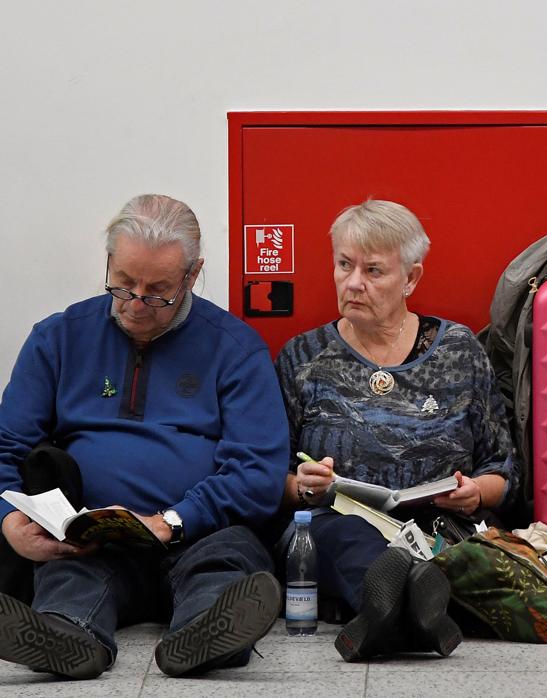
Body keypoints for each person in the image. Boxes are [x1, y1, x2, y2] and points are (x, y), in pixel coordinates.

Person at [0, 194, 289, 680]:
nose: (135, 304)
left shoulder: (236, 349)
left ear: (192, 276)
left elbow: (257, 471)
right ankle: (66, 636)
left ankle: (204, 636)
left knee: (224, 566)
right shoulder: (58, 339)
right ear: (108, 262)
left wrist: (172, 520)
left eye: (158, 291)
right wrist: (9, 520)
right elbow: (5, 447)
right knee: (70, 576)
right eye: (123, 284)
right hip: (94, 540)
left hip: (202, 533)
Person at [276, 199, 518, 661]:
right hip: (335, 523)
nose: (353, 283)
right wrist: (302, 487)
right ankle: (420, 615)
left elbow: (503, 469)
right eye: (344, 265)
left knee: (446, 550)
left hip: (442, 522)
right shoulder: (303, 358)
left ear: (411, 278)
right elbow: (269, 477)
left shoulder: (459, 350)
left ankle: (391, 620)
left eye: (373, 271)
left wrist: (476, 493)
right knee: (343, 537)